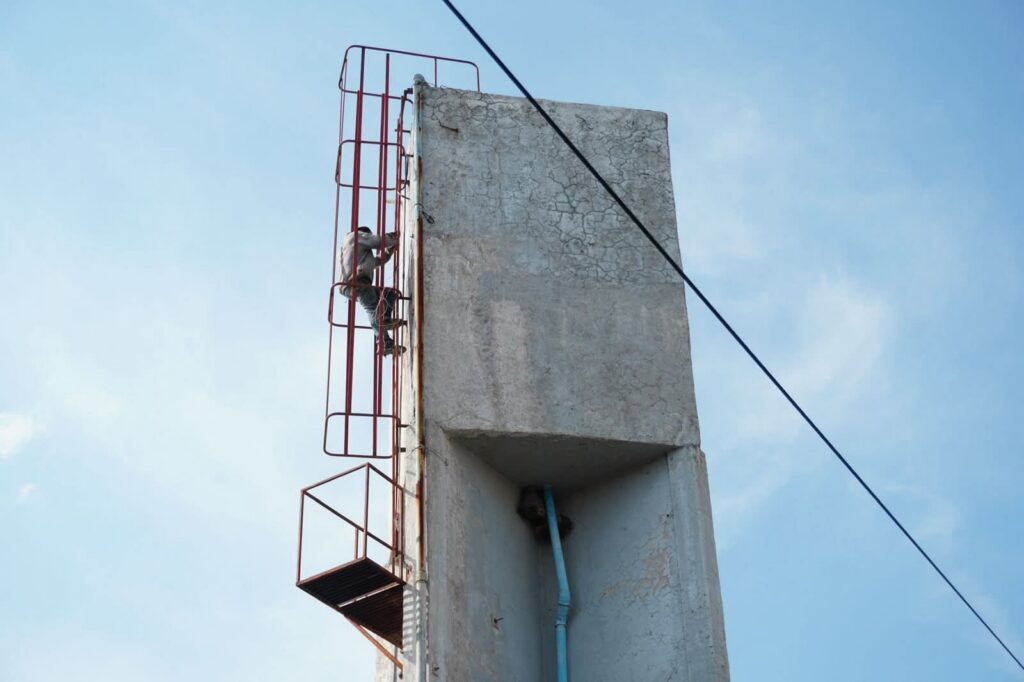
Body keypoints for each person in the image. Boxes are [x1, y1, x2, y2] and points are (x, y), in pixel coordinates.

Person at [338, 226, 404, 355]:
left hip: (358, 281)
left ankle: (386, 336)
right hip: (355, 281)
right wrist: (395, 236)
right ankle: (383, 339)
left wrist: (390, 250)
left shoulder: (360, 255)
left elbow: (378, 260)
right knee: (372, 306)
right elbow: (378, 241)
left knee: (389, 295)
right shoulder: (355, 236)